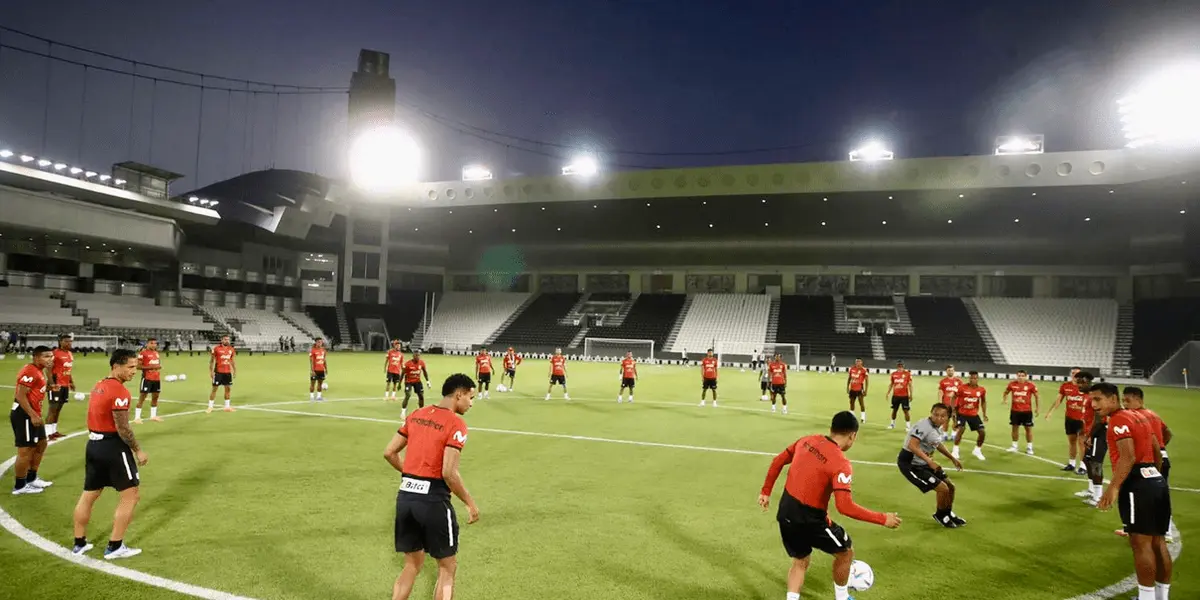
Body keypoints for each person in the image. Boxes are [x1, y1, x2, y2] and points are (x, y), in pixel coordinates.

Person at [759, 411, 901, 600]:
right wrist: (883, 519)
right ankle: (842, 598)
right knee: (845, 553)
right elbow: (845, 507)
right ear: (853, 435)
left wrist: (766, 492)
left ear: (832, 429)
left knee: (800, 561)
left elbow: (778, 461)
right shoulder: (841, 463)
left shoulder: (807, 440)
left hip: (785, 510)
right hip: (810, 518)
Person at [384, 373, 480, 600]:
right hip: (433, 502)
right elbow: (449, 472)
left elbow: (389, 452)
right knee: (447, 567)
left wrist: (412, 474)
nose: (471, 403)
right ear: (459, 394)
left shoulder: (417, 414)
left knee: (412, 564)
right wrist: (470, 502)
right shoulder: (456, 423)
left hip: (405, 498)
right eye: (471, 397)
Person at [1092, 382, 1172, 600]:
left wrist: (1113, 487)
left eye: (1098, 399)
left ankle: (1146, 598)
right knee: (1158, 541)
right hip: (1156, 481)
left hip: (1136, 483)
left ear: (1112, 399)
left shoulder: (1118, 419)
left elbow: (1128, 455)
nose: (1094, 405)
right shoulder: (1140, 416)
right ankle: (1162, 597)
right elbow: (1157, 447)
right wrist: (1153, 475)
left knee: (1140, 543)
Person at [71, 349, 148, 559]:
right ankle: (115, 546)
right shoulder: (120, 392)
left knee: (89, 495)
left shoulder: (99, 386)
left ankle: (79, 543)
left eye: (136, 366)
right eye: (131, 367)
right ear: (116, 366)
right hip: (113, 447)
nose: (135, 371)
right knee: (131, 495)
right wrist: (138, 450)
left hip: (93, 446)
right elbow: (123, 428)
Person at [898, 403, 966, 528]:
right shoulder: (924, 426)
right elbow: (912, 445)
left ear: (947, 417)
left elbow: (937, 444)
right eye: (936, 414)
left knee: (951, 486)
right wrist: (930, 462)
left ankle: (948, 512)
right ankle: (940, 515)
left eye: (943, 416)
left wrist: (952, 458)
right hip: (911, 464)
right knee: (942, 488)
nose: (939, 418)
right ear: (931, 413)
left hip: (923, 462)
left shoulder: (936, 427)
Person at [1121, 386, 1176, 541]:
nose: (1125, 404)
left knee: (1141, 495)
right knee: (1161, 494)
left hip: (1149, 461)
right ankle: (1166, 530)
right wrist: (1161, 447)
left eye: (1128, 400)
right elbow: (1168, 433)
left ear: (1139, 399)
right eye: (1123, 400)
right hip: (1163, 458)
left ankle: (1138, 529)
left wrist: (1150, 451)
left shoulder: (1135, 417)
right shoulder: (1153, 415)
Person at [11, 346, 54, 495]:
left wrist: (50, 380)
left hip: (33, 413)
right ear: (36, 357)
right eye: (47, 356)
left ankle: (31, 478)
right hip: (24, 414)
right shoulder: (29, 370)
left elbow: (41, 388)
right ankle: (20, 485)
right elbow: (20, 395)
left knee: (42, 443)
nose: (51, 359)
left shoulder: (39, 370)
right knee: (26, 450)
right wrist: (32, 415)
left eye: (51, 356)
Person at [1044, 368, 1089, 474]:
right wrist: (1050, 412)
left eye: (1077, 374)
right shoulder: (1065, 386)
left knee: (1081, 443)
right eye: (1073, 373)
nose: (1075, 375)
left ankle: (1083, 466)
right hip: (1069, 418)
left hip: (1082, 419)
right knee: (1072, 441)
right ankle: (1071, 464)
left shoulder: (1086, 387)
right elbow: (1058, 400)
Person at [951, 371, 989, 461]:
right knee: (961, 429)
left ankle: (977, 450)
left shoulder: (981, 390)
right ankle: (955, 450)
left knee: (982, 432)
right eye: (971, 378)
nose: (973, 380)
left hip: (973, 414)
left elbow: (983, 401)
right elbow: (953, 397)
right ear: (969, 378)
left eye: (975, 378)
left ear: (978, 379)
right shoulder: (962, 388)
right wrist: (953, 410)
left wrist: (984, 414)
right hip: (962, 413)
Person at [45, 334, 76, 441]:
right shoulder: (54, 353)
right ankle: (47, 433)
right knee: (52, 408)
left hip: (64, 384)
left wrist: (71, 382)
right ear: (60, 342)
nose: (69, 343)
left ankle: (54, 431)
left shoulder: (70, 354)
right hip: (56, 384)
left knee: (58, 409)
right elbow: (48, 370)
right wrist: (52, 384)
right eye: (66, 341)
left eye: (70, 341)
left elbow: (67, 369)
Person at [1002, 370, 1039, 455]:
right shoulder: (1012, 384)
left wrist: (1037, 408)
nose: (1020, 377)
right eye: (1019, 375)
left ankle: (1029, 447)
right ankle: (1014, 446)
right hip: (1015, 411)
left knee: (1028, 429)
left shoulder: (1030, 385)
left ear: (1026, 376)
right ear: (1016, 376)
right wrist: (1005, 400)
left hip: (1027, 411)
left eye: (1022, 375)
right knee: (1015, 428)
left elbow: (1037, 396)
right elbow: (1006, 392)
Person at [134, 338, 163, 424]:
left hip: (156, 378)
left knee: (155, 397)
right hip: (147, 378)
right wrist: (152, 367)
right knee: (142, 397)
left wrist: (158, 367)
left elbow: (157, 364)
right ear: (147, 344)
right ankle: (137, 418)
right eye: (152, 343)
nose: (154, 345)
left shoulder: (156, 353)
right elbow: (138, 366)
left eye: (155, 343)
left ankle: (153, 416)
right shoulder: (143, 353)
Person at [208, 335, 237, 413]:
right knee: (214, 389)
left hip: (227, 373)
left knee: (228, 389)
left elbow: (232, 361)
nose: (227, 341)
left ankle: (227, 407)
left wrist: (234, 370)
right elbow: (211, 361)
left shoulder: (231, 349)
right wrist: (211, 372)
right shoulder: (216, 349)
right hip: (218, 372)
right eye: (225, 339)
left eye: (228, 339)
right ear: (222, 340)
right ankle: (210, 407)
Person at [401, 350, 431, 421]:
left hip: (417, 381)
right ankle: (403, 412)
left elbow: (425, 372)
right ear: (413, 356)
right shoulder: (408, 364)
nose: (418, 357)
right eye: (416, 355)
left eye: (419, 355)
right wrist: (399, 383)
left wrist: (427, 381)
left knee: (421, 396)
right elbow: (402, 374)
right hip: (408, 381)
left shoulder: (421, 363)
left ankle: (421, 412)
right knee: (408, 395)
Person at [936, 365, 963, 441]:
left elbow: (962, 393)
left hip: (956, 405)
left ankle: (953, 434)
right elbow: (940, 392)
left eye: (952, 370)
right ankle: (944, 435)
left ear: (954, 371)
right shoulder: (943, 381)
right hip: (946, 404)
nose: (950, 371)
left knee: (955, 420)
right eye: (949, 370)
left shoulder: (959, 381)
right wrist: (940, 403)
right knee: (945, 420)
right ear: (946, 371)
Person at [886, 360, 913, 431]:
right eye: (899, 365)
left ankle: (908, 426)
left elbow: (910, 385)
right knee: (894, 410)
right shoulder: (893, 374)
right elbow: (891, 384)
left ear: (903, 366)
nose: (900, 366)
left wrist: (911, 394)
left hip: (904, 396)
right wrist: (888, 393)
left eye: (901, 365)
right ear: (897, 366)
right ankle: (892, 424)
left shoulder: (907, 374)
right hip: (895, 395)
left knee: (906, 411)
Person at [846, 358, 868, 423]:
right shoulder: (852, 369)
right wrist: (847, 387)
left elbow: (867, 381)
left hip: (859, 389)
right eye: (856, 361)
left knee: (861, 403)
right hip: (852, 389)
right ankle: (852, 417)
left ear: (861, 362)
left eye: (859, 361)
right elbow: (849, 378)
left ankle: (863, 418)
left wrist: (866, 390)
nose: (857, 363)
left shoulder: (864, 370)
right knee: (851, 403)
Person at [309, 337, 328, 402]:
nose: (320, 343)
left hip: (321, 370)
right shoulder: (313, 350)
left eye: (321, 342)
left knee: (320, 384)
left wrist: (326, 369)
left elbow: (324, 360)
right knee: (312, 384)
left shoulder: (324, 350)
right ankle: (311, 397)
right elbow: (311, 361)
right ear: (316, 342)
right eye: (319, 342)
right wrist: (312, 370)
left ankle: (318, 397)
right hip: (315, 370)